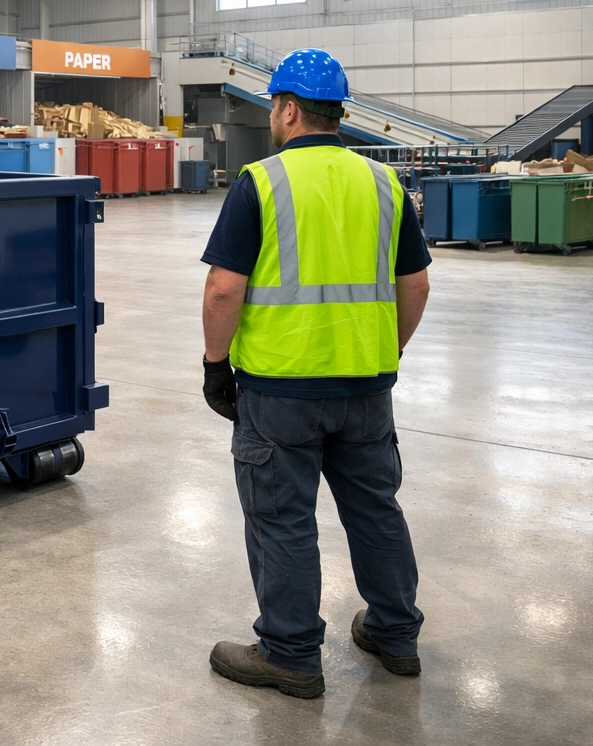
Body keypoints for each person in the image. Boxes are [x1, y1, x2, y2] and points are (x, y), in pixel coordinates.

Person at [199, 48, 432, 699]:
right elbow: (414, 286)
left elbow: (223, 289)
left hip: (280, 393)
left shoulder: (261, 182)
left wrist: (216, 367)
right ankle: (393, 632)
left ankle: (292, 654)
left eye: (274, 105)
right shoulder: (386, 185)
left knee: (283, 520)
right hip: (367, 388)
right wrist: (388, 350)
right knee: (376, 511)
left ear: (289, 109)